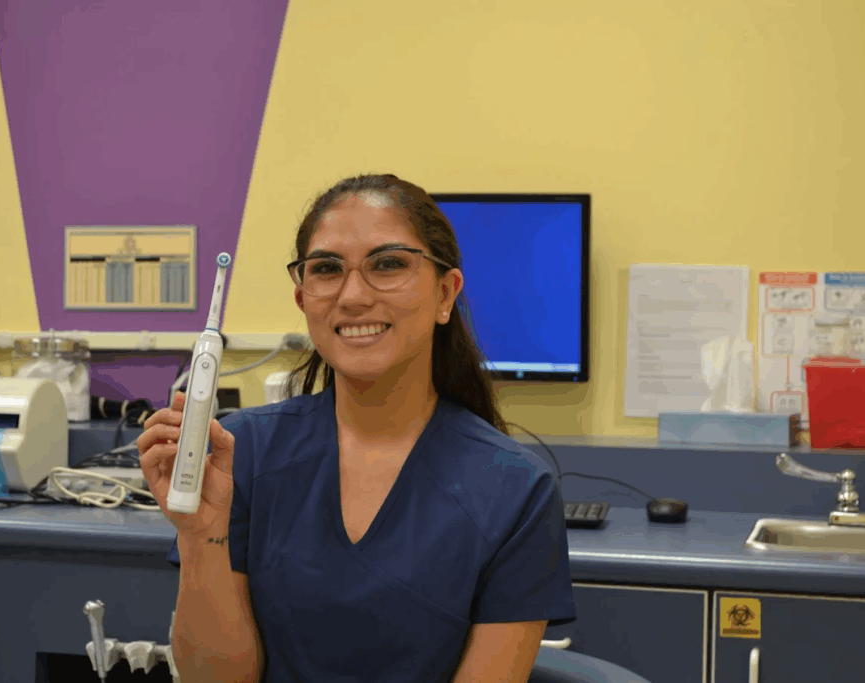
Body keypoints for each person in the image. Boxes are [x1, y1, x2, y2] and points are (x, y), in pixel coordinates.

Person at [139, 174, 576, 682]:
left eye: (388, 264)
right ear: (303, 300)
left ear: (445, 294)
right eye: (326, 269)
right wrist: (201, 537)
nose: (352, 296)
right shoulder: (242, 453)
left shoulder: (516, 490)